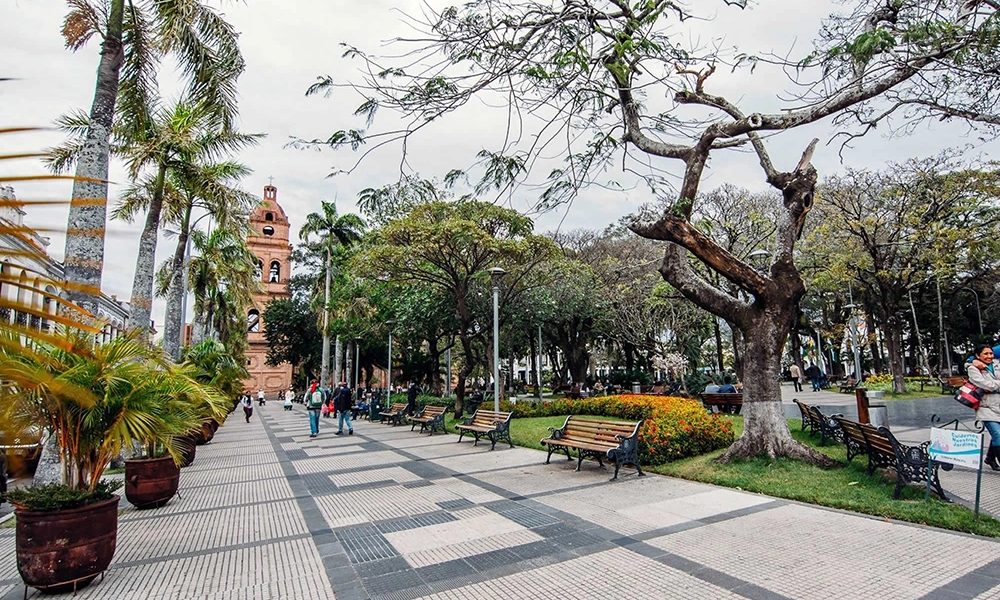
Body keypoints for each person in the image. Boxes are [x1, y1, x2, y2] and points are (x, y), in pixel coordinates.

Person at [967, 344, 1000, 471]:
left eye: (990, 354)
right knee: (997, 434)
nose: (989, 356)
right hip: (986, 406)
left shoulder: (996, 364)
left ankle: (990, 458)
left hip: (998, 404)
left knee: (997, 434)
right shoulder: (975, 367)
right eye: (986, 354)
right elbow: (985, 384)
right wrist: (972, 361)